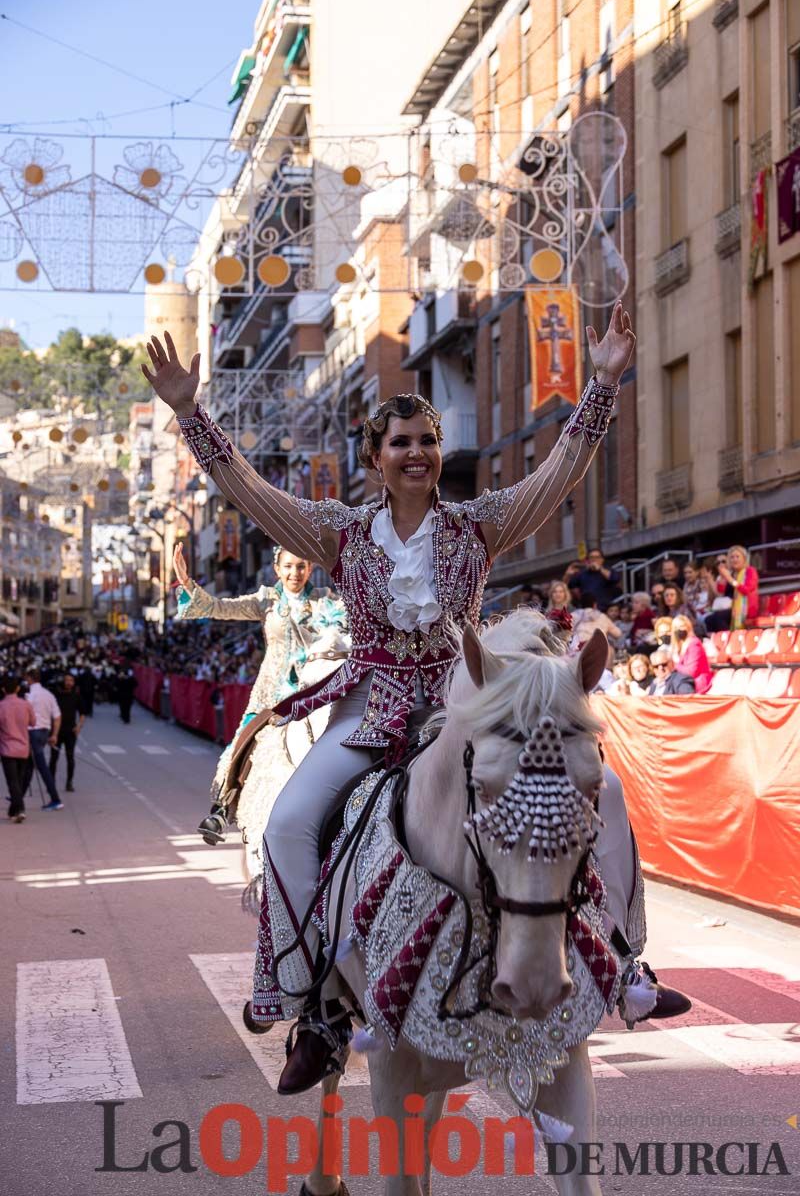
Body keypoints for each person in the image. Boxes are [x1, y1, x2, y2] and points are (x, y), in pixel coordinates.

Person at [144, 304, 688, 1092]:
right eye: (401, 442)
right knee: (291, 823)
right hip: (367, 717)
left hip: (465, 713)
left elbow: (561, 471)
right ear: (374, 457)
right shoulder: (337, 533)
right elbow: (251, 493)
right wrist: (192, 413)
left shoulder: (482, 523)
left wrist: (602, 382)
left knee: (598, 787)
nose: (418, 454)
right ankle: (316, 1010)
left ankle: (626, 962)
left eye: (428, 440)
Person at [173, 541, 349, 886]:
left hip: (317, 689)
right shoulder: (267, 600)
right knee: (242, 741)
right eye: (288, 567)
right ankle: (224, 808)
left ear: (310, 569)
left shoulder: (328, 601)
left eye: (301, 566)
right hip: (273, 691)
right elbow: (218, 607)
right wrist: (188, 584)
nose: (295, 573)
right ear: (277, 569)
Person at [24, 668, 62, 809]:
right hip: (45, 732)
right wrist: (54, 735)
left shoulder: (30, 695)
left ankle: (55, 798)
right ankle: (18, 796)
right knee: (29, 765)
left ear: (29, 679)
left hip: (33, 732)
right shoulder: (49, 695)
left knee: (41, 766)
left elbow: (25, 716)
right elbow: (57, 717)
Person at [0, 675, 35, 822]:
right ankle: (13, 810)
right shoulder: (26, 704)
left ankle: (19, 809)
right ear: (18, 688)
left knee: (12, 781)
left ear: (3, 690)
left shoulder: (1, 706)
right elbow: (33, 722)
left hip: (7, 748)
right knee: (19, 780)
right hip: (23, 748)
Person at [706, 545, 759, 633]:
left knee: (718, 617)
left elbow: (746, 590)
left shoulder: (750, 571)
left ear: (744, 559)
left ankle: (731, 639)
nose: (734, 559)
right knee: (709, 619)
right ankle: (717, 642)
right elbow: (721, 592)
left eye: (737, 557)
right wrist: (722, 578)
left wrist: (730, 579)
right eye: (732, 557)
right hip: (732, 608)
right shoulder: (732, 573)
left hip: (746, 608)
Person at [49, 673, 85, 792]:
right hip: (56, 732)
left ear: (74, 683)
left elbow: (82, 713)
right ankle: (51, 782)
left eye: (71, 680)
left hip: (71, 732)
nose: (69, 682)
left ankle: (69, 782)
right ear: (63, 682)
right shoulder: (56, 695)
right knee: (54, 758)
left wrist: (79, 726)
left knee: (70, 758)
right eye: (66, 680)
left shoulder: (76, 696)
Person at [567, 546, 622, 611]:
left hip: (605, 610)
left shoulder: (608, 570)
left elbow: (615, 579)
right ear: (588, 560)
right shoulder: (582, 573)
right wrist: (567, 575)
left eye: (597, 557)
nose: (594, 560)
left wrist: (600, 569)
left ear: (602, 559)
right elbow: (569, 585)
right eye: (591, 557)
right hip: (587, 611)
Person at [670, 614, 712, 694]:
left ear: (688, 627)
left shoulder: (694, 644)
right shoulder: (677, 647)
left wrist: (675, 665)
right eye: (676, 628)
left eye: (682, 626)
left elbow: (691, 672)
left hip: (697, 684)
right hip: (683, 682)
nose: (679, 629)